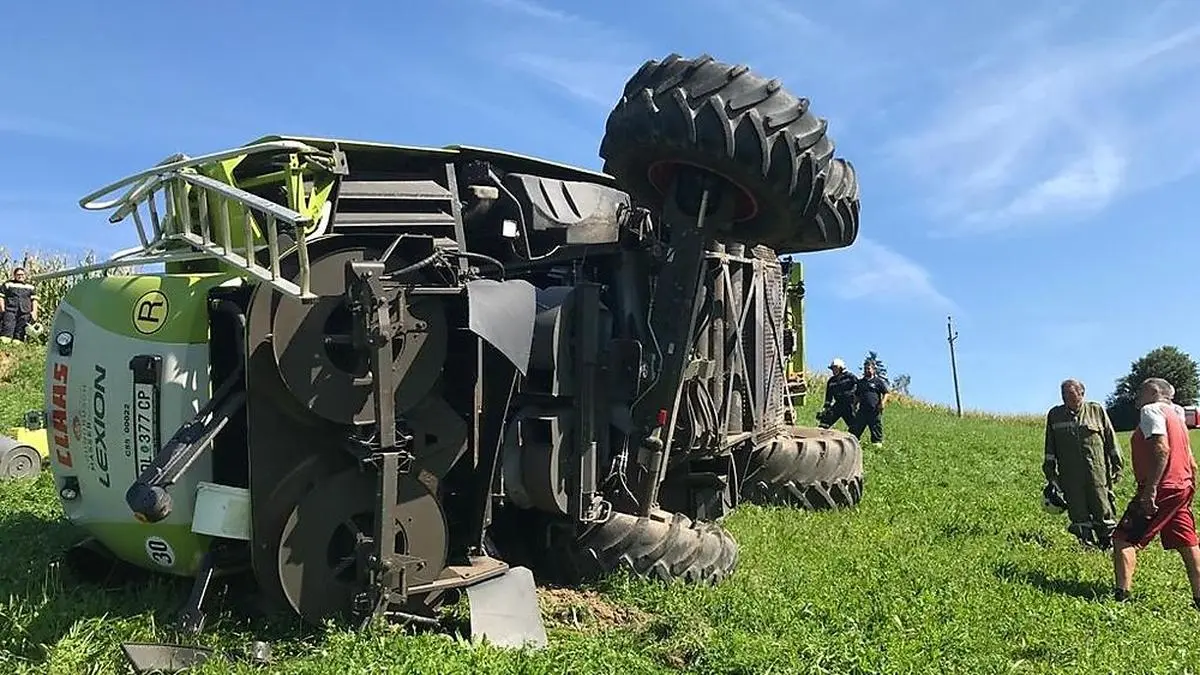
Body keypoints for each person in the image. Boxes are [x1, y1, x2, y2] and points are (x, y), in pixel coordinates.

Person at [1111, 377, 1200, 607]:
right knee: (1187, 543)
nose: (1137, 398)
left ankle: (1121, 596)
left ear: (1152, 391)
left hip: (1161, 487)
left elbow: (1161, 449)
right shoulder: (1177, 416)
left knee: (1123, 539)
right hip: (1182, 487)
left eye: (1140, 391)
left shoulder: (1151, 411)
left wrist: (1150, 489)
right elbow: (1191, 460)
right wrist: (1190, 487)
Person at [1042, 378, 1123, 549]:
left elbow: (1110, 438)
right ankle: (1086, 543)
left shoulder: (1096, 410)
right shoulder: (1055, 415)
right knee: (1077, 508)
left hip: (1097, 471)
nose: (1066, 399)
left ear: (1082, 394)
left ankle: (1106, 542)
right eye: (1063, 395)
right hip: (1070, 473)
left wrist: (1117, 463)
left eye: (1071, 394)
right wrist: (1050, 472)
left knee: (1102, 504)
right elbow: (1050, 445)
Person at [850, 361, 889, 447]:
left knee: (876, 430)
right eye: (865, 369)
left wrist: (882, 403)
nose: (866, 370)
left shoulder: (878, 381)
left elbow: (886, 393)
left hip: (874, 410)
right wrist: (854, 405)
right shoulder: (860, 382)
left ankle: (877, 448)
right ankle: (854, 446)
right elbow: (857, 395)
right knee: (855, 429)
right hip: (862, 411)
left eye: (868, 368)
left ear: (874, 370)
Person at [818, 358, 857, 430]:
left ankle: (856, 439)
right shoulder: (831, 381)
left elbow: (857, 389)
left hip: (849, 405)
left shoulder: (850, 377)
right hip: (838, 404)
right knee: (824, 422)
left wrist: (853, 398)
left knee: (854, 426)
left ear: (841, 368)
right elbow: (828, 396)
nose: (833, 370)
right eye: (832, 368)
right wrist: (826, 408)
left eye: (835, 368)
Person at [0, 267, 38, 343]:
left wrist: (34, 312)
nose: (20, 276)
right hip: (10, 310)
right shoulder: (8, 284)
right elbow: (1, 297)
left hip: (25, 312)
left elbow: (34, 300)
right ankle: (5, 346)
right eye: (18, 274)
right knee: (7, 328)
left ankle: (17, 346)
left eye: (22, 274)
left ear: (25, 275)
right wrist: (2, 309)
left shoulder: (30, 287)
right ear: (14, 275)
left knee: (20, 331)